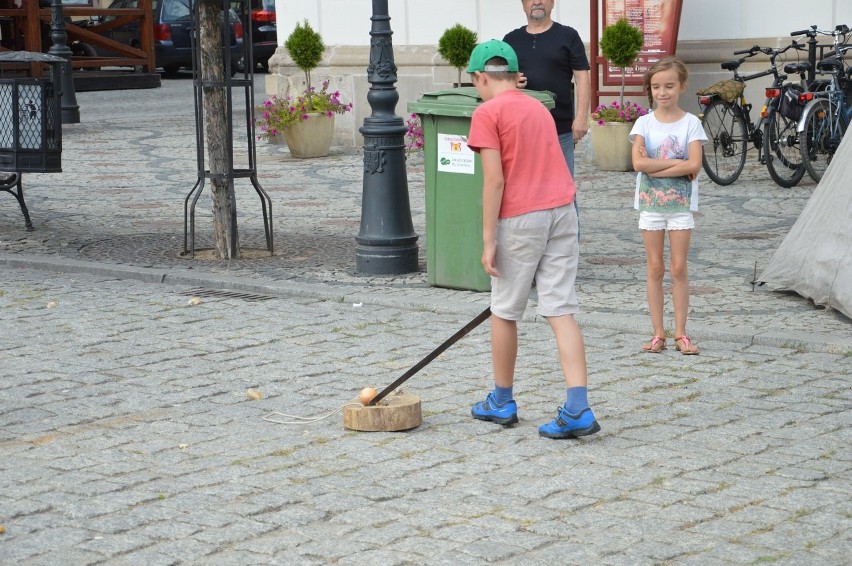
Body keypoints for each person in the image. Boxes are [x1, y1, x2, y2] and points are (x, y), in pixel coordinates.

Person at [465, 40, 600, 440]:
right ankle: (578, 406)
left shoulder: (486, 112)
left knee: (505, 310)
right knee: (560, 308)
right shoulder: (537, 107)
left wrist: (489, 238)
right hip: (562, 210)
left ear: (481, 77)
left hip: (521, 218)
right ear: (513, 74)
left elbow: (494, 180)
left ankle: (502, 399)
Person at [629, 57, 706, 356]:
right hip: (650, 206)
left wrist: (655, 167)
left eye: (670, 86)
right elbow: (638, 163)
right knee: (655, 268)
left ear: (682, 86)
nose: (663, 92)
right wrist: (678, 163)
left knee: (678, 268)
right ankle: (658, 332)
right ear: (650, 89)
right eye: (657, 86)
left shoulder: (691, 124)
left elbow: (695, 164)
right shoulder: (643, 124)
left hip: (680, 207)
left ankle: (681, 332)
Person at [503, 0, 591, 177]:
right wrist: (510, 82)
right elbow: (498, 82)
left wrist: (581, 118)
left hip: (559, 130)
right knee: (524, 186)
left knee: (563, 188)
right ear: (523, 5)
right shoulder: (510, 40)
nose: (537, 2)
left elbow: (582, 77)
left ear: (552, 3)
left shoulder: (568, 36)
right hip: (521, 130)